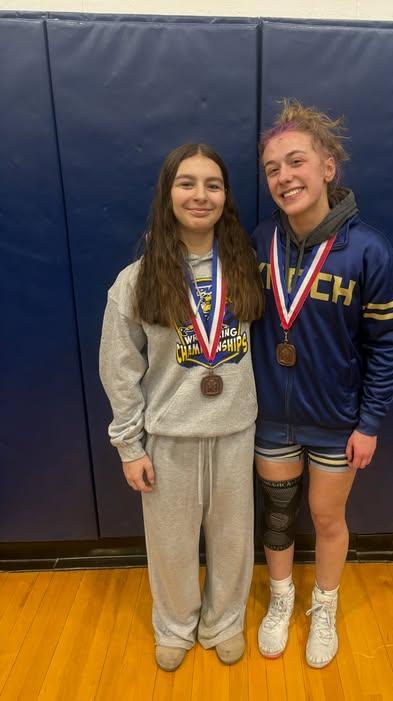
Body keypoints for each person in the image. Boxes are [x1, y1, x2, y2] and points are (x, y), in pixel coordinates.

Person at [250, 100, 393, 668]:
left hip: (336, 420)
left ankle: (324, 604)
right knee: (275, 516)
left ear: (327, 167)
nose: (285, 177)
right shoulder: (259, 240)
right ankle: (280, 599)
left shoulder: (369, 250)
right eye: (272, 169)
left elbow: (388, 345)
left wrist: (369, 424)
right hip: (271, 416)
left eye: (296, 162)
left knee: (325, 518)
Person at [99, 143, 264, 672]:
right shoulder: (138, 279)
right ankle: (173, 625)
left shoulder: (246, 270)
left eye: (212, 184)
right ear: (167, 194)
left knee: (234, 542)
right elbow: (119, 370)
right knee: (169, 545)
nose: (200, 194)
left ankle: (225, 622)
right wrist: (129, 445)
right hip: (168, 438)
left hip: (235, 430)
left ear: (226, 197)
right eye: (186, 183)